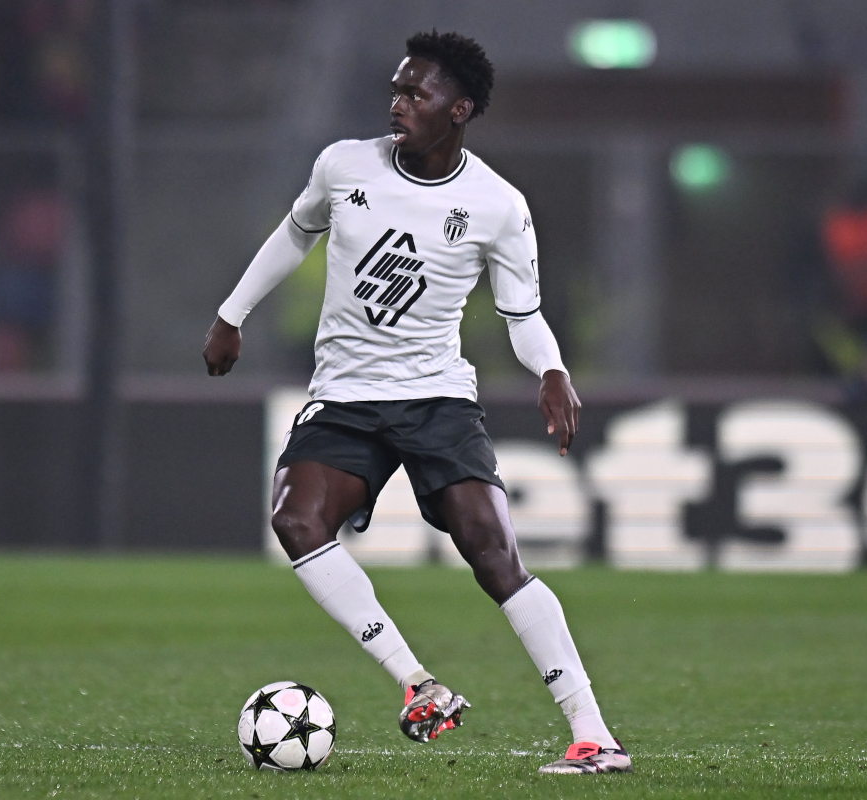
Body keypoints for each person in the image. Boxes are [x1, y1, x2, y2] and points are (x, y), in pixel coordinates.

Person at [203, 31, 629, 776]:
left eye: (416, 94)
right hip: (344, 399)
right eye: (396, 91)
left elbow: (521, 315)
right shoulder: (343, 165)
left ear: (458, 110)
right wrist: (231, 314)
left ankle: (593, 735)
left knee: (495, 558)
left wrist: (552, 371)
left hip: (436, 401)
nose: (398, 105)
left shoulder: (498, 205)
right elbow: (296, 231)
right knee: (296, 520)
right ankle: (418, 684)